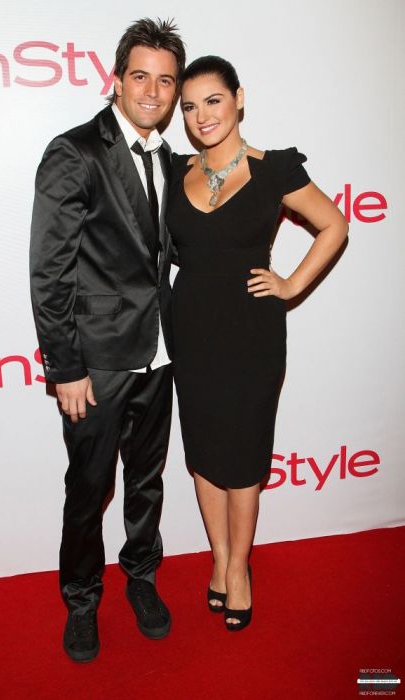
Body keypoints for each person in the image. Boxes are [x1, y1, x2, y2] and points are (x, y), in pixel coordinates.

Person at [166, 56, 348, 631]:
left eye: (213, 100)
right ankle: (219, 558)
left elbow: (335, 224)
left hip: (252, 332)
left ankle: (239, 568)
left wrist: (291, 284)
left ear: (239, 98)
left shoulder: (275, 170)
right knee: (202, 451)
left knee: (243, 454)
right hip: (190, 328)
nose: (202, 116)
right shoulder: (173, 169)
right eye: (189, 107)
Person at [29, 18, 186, 662]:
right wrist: (66, 367)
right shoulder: (75, 152)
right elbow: (50, 270)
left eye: (166, 81)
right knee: (89, 489)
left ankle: (141, 577)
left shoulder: (172, 160)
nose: (152, 91)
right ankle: (81, 599)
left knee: (147, 480)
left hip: (159, 353)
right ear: (115, 80)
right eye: (140, 76)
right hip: (95, 363)